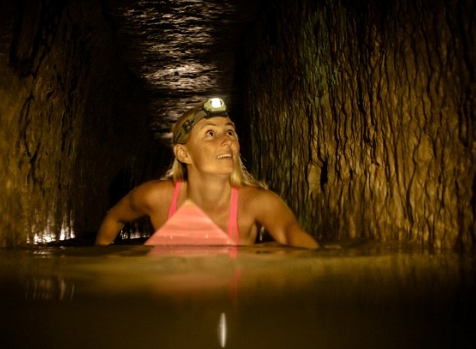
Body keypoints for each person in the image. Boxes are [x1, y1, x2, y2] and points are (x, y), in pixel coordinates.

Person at [95, 98, 320, 249]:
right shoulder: (156, 197)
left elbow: (292, 235)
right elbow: (115, 217)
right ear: (184, 153)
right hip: (174, 312)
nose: (227, 140)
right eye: (210, 133)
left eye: (230, 131)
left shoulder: (256, 203)